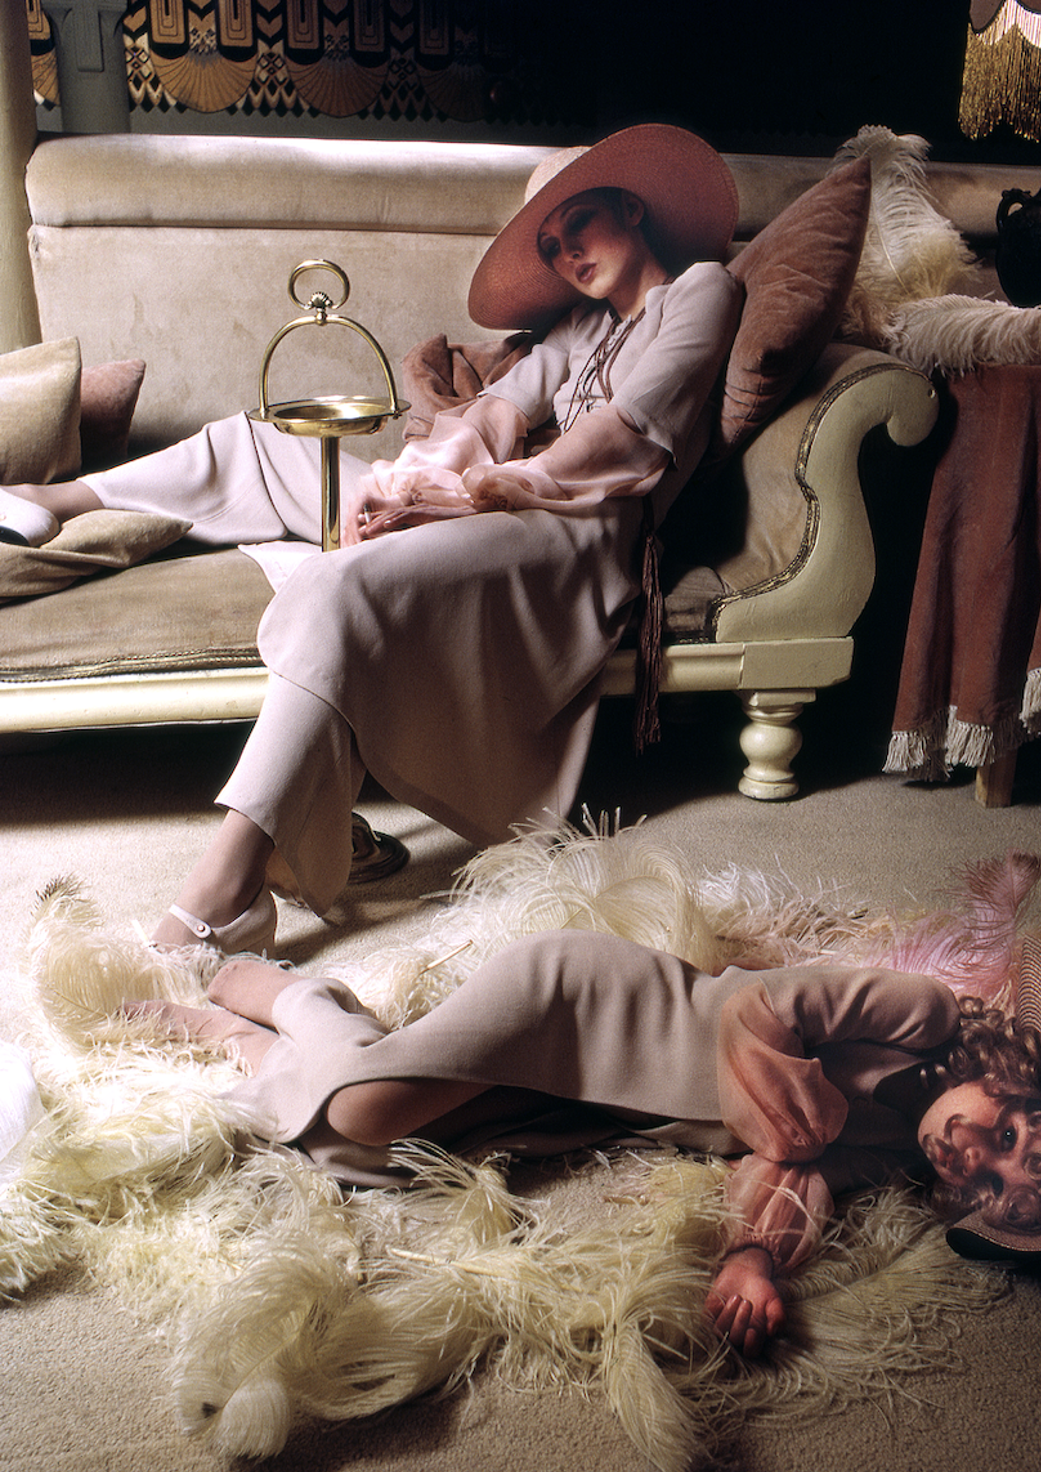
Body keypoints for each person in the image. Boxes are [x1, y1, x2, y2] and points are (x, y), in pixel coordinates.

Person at [0, 125, 742, 953]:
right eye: (551, 246)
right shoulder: (581, 324)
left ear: (631, 208)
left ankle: (225, 893)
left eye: (580, 225)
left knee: (336, 585)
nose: (567, 254)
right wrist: (404, 482)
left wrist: (470, 498)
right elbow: (495, 416)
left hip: (579, 541)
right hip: (507, 503)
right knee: (259, 442)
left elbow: (627, 436)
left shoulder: (703, 291)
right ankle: (49, 497)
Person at [126, 926, 1041, 1360]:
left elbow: (793, 1175)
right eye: (1011, 1132)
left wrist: (755, 1256)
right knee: (364, 1112)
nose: (977, 1154)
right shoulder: (922, 1013)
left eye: (996, 1182)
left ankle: (251, 1040)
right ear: (1012, 1071)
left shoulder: (894, 1152)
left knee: (367, 1159)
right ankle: (286, 996)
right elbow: (766, 1006)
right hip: (588, 1002)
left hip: (604, 1103)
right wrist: (782, 1093)